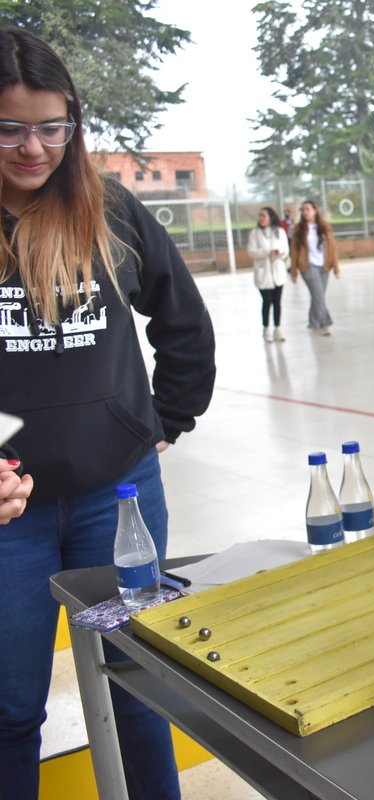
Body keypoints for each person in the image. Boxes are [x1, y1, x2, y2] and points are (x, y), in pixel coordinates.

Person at [0, 28, 216, 800]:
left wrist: (163, 421)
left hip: (116, 501)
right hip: (8, 518)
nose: (34, 147)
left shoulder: (110, 208)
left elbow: (184, 323)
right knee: (10, 709)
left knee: (138, 688)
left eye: (52, 127)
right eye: (10, 128)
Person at [290, 199, 338, 335]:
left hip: (324, 266)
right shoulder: (299, 229)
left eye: (308, 209)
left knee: (318, 295)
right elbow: (294, 251)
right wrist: (293, 271)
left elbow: (333, 248)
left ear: (315, 211)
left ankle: (313, 321)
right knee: (318, 296)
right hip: (307, 265)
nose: (305, 212)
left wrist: (336, 268)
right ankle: (324, 324)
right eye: (303, 210)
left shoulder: (325, 227)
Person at [248, 205, 289, 342]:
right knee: (267, 301)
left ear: (271, 217)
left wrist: (279, 252)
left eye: (263, 215)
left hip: (278, 271)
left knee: (277, 302)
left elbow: (286, 250)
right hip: (263, 272)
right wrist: (267, 252)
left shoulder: (279, 232)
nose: (261, 218)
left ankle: (277, 329)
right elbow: (251, 251)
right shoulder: (254, 233)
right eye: (260, 216)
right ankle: (266, 329)